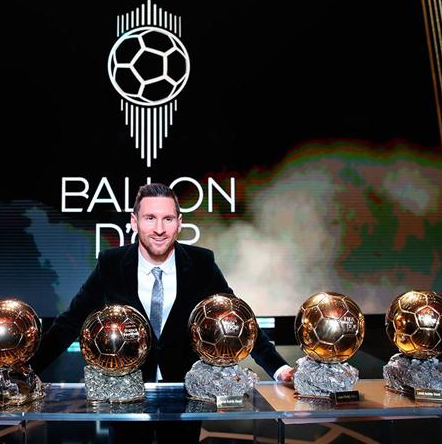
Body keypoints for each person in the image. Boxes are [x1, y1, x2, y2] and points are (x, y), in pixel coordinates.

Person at [31, 183, 293, 443]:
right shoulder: (111, 264)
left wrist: (279, 369)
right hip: (126, 397)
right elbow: (69, 323)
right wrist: (28, 369)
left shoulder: (201, 263)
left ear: (179, 223)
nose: (159, 229)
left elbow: (238, 320)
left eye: (167, 219)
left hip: (186, 399)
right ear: (134, 222)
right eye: (150, 218)